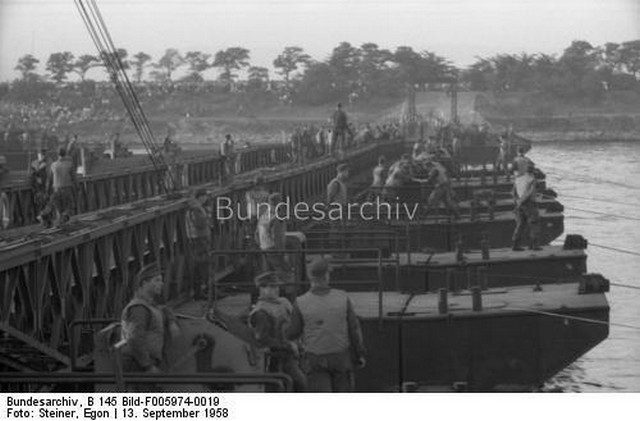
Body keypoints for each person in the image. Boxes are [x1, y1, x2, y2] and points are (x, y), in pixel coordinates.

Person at [289, 257, 366, 392]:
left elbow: (293, 332)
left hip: (314, 359)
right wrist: (359, 354)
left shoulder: (300, 302)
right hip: (341, 358)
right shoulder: (342, 297)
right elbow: (354, 329)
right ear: (326, 276)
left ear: (310, 278)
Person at [249, 271, 307, 391]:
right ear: (261, 288)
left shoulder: (283, 302)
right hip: (278, 358)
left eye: (276, 286)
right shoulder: (261, 313)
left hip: (293, 353)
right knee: (301, 384)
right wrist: (289, 345)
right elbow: (262, 339)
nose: (275, 290)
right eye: (271, 287)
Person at [120, 263, 180, 376]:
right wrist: (148, 366)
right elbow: (134, 339)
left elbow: (163, 309)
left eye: (161, 280)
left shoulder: (148, 306)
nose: (161, 284)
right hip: (138, 366)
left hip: (143, 363)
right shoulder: (138, 309)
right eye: (157, 280)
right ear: (144, 283)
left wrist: (172, 321)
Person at [185, 188, 212, 299]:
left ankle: (200, 290)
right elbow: (200, 223)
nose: (206, 198)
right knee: (201, 265)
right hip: (199, 239)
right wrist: (207, 216)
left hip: (197, 238)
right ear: (200, 197)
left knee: (200, 265)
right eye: (205, 196)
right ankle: (200, 291)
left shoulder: (195, 208)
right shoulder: (196, 209)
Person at [255, 193, 288, 273]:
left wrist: (261, 245)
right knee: (281, 270)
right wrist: (281, 252)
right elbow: (277, 236)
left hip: (264, 247)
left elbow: (256, 233)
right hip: (273, 248)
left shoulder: (263, 216)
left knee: (267, 272)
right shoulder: (276, 218)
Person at [512, 164, 541, 251]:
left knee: (520, 225)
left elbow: (513, 192)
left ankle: (515, 245)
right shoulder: (532, 179)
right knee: (534, 224)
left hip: (519, 204)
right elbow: (529, 193)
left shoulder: (518, 179)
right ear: (532, 172)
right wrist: (522, 201)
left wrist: (517, 202)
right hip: (529, 204)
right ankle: (534, 246)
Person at [44, 147, 77, 225]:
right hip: (67, 188)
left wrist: (47, 191)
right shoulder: (70, 164)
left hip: (56, 189)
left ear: (57, 154)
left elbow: (49, 179)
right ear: (65, 154)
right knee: (69, 207)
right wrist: (77, 187)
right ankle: (64, 219)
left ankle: (60, 223)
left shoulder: (53, 165)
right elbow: (74, 178)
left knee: (58, 208)